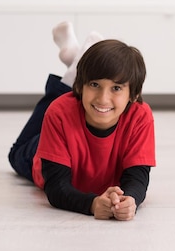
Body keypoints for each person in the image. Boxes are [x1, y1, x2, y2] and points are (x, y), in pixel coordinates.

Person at [8, 22, 156, 220]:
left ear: (134, 94)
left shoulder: (141, 115)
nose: (103, 98)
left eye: (116, 88)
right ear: (81, 86)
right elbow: (56, 186)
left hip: (73, 125)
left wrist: (130, 200)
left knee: (76, 104)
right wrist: (92, 204)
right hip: (45, 151)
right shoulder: (60, 112)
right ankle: (72, 71)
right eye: (94, 84)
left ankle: (75, 61)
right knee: (16, 153)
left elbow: (137, 176)